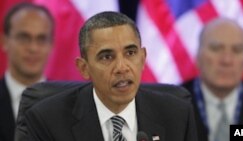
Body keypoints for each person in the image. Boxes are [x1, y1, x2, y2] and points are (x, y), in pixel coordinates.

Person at [24, 11, 198, 141]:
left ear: (143, 58)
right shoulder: (47, 120)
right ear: (84, 68)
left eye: (130, 53)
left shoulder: (177, 115)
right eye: (107, 57)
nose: (122, 67)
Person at [181, 17, 243, 141]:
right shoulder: (171, 103)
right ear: (198, 56)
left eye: (237, 50)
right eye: (216, 48)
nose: (227, 60)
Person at [0, 3, 54, 141]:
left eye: (41, 39)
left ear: (51, 45)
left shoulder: (72, 107)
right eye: (24, 37)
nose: (33, 48)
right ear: (4, 41)